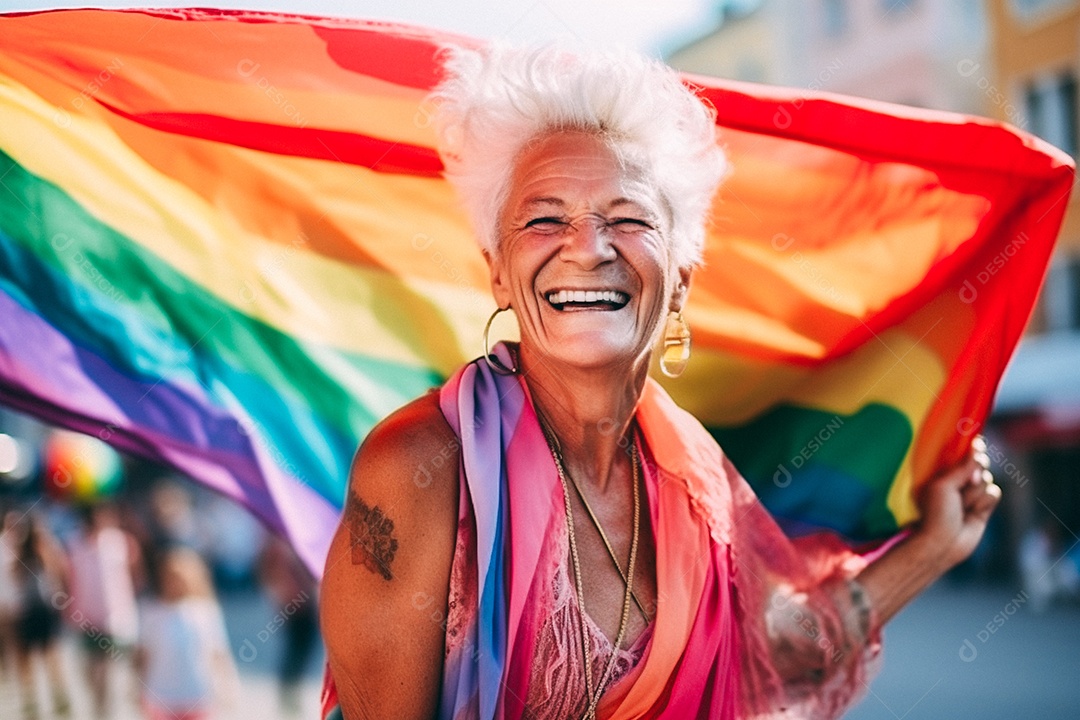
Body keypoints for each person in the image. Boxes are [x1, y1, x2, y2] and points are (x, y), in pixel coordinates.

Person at [320, 44, 1001, 719]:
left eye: (628, 218)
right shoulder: (421, 467)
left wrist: (939, 543)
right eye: (545, 218)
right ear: (497, 269)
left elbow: (781, 649)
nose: (588, 247)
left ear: (679, 279)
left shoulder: (694, 481)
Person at [135, 547, 239, 720]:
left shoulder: (205, 612)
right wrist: (137, 686)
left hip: (197, 694)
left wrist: (229, 684)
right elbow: (143, 655)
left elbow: (219, 651)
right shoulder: (152, 612)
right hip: (161, 695)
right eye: (170, 578)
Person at [66, 502, 142, 719]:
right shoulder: (75, 544)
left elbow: (135, 575)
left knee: (109, 674)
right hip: (85, 619)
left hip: (115, 621)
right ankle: (98, 709)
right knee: (91, 674)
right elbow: (68, 578)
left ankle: (104, 713)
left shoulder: (121, 542)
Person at [11, 512, 72, 719]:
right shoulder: (18, 553)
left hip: (45, 610)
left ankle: (59, 697)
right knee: (28, 659)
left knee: (51, 656)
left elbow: (58, 572)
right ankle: (32, 702)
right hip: (28, 611)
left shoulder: (45, 549)